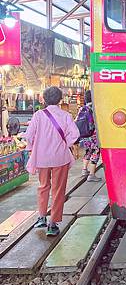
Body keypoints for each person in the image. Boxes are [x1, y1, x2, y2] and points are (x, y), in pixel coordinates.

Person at [25, 86, 80, 236]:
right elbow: (75, 134)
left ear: (44, 99)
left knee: (43, 186)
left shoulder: (38, 115)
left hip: (42, 158)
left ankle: (42, 217)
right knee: (58, 190)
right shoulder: (66, 115)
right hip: (60, 158)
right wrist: (65, 144)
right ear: (60, 100)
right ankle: (53, 224)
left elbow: (28, 136)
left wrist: (33, 148)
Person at [78, 90, 102, 182]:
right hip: (94, 135)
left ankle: (84, 170)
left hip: (85, 134)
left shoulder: (82, 108)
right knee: (95, 152)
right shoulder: (95, 107)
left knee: (88, 151)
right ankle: (91, 174)